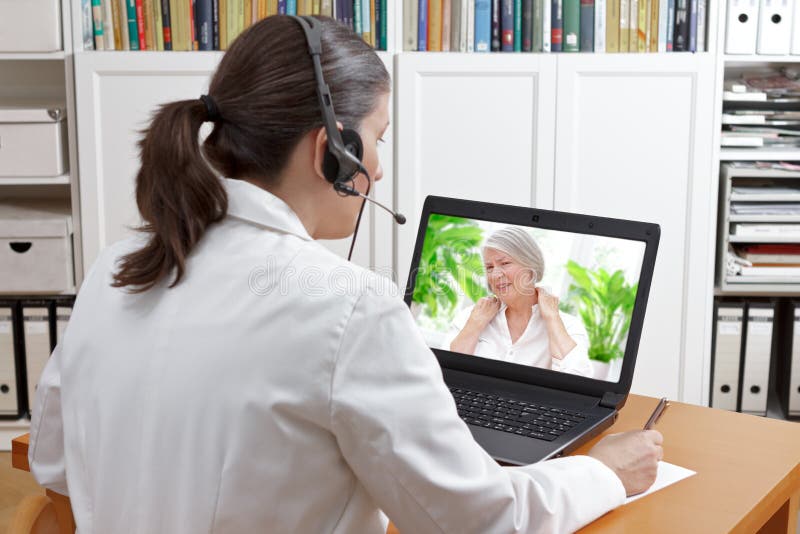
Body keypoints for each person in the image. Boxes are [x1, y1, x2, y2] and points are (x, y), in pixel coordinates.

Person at [28, 15, 662, 534]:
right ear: (329, 150)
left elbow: (53, 465)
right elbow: (480, 520)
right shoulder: (348, 305)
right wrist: (603, 473)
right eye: (376, 138)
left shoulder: (115, 269)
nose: (378, 170)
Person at [447, 226, 594, 377]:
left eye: (505, 263)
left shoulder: (568, 325)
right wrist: (474, 325)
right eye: (489, 267)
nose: (495, 274)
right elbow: (445, 375)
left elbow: (579, 377)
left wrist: (552, 319)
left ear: (531, 266)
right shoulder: (471, 317)